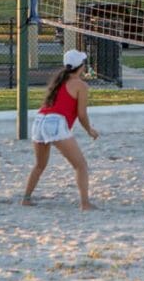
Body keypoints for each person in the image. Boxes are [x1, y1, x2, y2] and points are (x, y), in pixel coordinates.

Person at [23, 48, 98, 210]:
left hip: (39, 121)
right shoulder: (81, 85)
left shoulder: (58, 82)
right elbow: (82, 114)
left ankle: (26, 198)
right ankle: (85, 204)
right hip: (55, 122)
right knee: (81, 165)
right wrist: (89, 130)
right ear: (81, 66)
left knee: (39, 165)